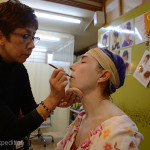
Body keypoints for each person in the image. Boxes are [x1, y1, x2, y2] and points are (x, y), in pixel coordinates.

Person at [0, 0, 82, 149]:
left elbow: (29, 110)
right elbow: (12, 131)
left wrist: (56, 99)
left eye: (33, 37)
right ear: (1, 37)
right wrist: (52, 99)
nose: (32, 45)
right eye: (25, 36)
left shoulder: (19, 70)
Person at [56, 48, 143, 150]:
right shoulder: (81, 119)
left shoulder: (119, 132)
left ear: (103, 75)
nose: (71, 66)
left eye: (83, 61)